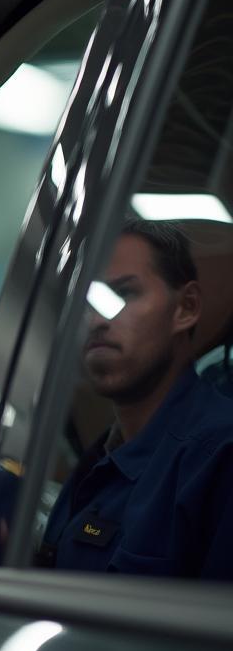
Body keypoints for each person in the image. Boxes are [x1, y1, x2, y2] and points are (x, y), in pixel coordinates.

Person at [38, 218, 233, 577]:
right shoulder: (96, 465)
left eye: (123, 294)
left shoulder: (219, 457)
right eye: (87, 301)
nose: (97, 319)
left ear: (186, 308)